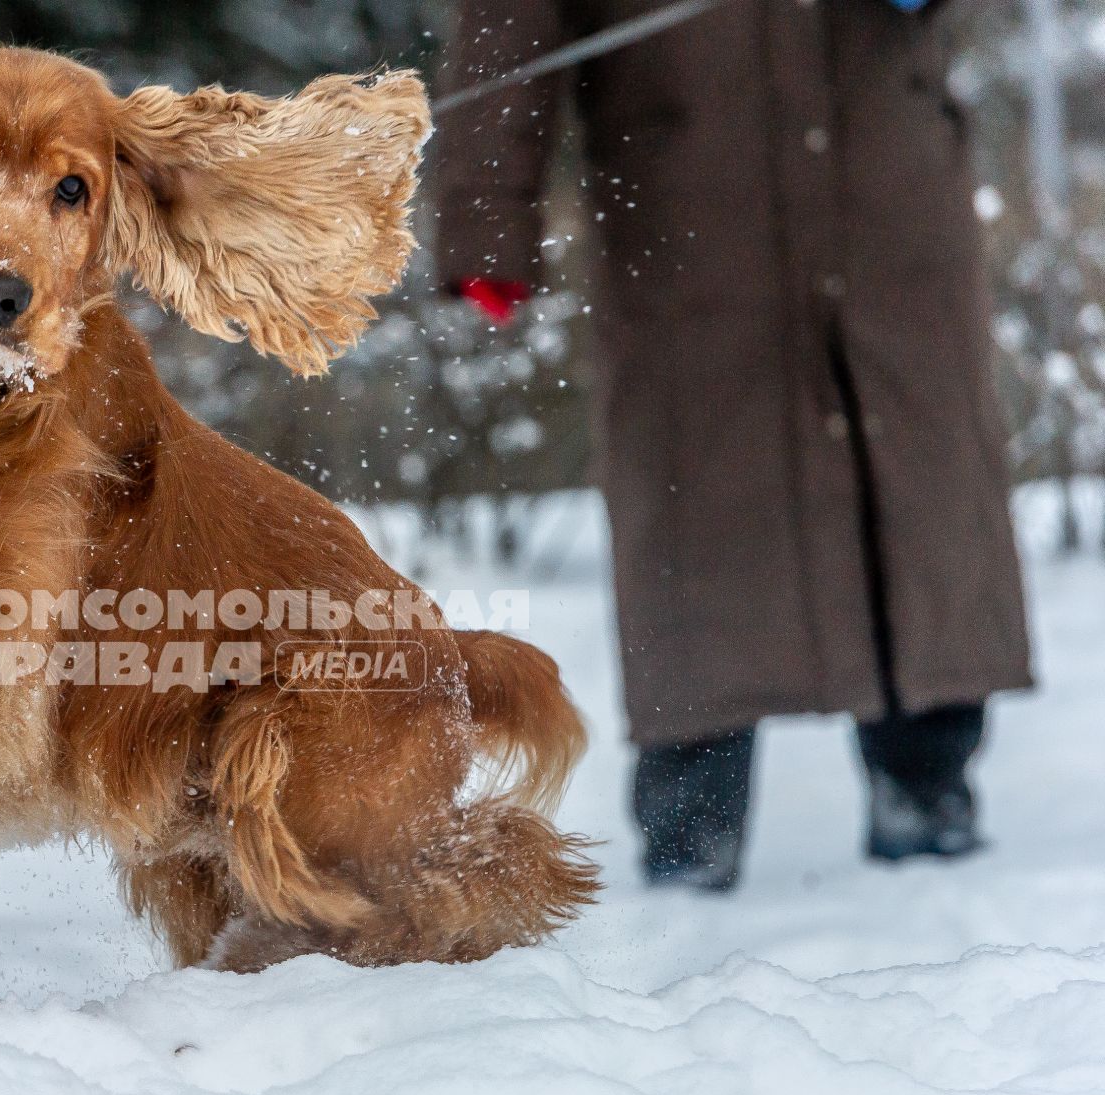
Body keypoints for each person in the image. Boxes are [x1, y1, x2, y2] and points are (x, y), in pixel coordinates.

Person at [434, 0, 1033, 888]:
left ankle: (927, 781)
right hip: (688, 203)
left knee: (915, 480)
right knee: (696, 499)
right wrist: (489, 215)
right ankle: (692, 819)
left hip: (888, 187)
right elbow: (508, 21)